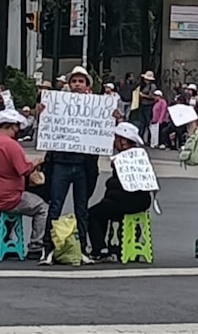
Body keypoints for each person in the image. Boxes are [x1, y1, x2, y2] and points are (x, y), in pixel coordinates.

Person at [39, 65, 105, 266]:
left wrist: (112, 119)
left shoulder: (95, 106)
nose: (77, 85)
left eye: (81, 81)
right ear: (69, 84)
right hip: (60, 163)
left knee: (81, 209)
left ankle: (82, 248)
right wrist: (40, 112)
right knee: (55, 206)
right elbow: (44, 126)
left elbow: (103, 129)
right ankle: (48, 249)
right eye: (74, 81)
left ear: (87, 86)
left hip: (83, 166)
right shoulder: (57, 103)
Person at [0, 109, 48, 260]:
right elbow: (24, 170)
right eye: (17, 127)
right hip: (7, 198)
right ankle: (36, 246)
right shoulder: (11, 145)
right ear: (12, 126)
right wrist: (38, 162)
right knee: (42, 208)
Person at [88, 122, 152, 261]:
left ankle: (100, 248)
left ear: (123, 141)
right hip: (143, 201)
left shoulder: (123, 159)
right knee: (105, 208)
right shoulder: (140, 156)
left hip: (127, 201)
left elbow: (121, 185)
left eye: (117, 138)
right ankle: (127, 244)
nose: (114, 141)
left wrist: (108, 185)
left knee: (94, 214)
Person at [136, 71, 157, 142]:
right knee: (142, 123)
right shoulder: (144, 86)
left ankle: (150, 139)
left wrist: (143, 95)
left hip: (148, 106)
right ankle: (140, 138)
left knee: (148, 123)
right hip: (143, 105)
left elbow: (152, 97)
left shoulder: (152, 86)